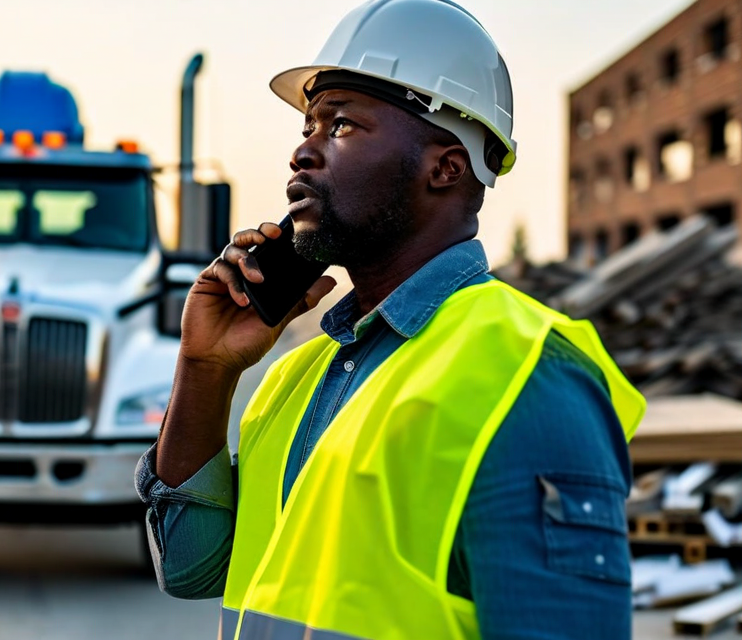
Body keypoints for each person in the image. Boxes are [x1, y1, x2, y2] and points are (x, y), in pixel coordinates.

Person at [134, 1, 646, 638]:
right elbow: (189, 570)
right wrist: (204, 369)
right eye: (307, 127)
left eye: (341, 126)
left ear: (446, 166)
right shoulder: (298, 378)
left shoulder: (528, 377)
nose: (302, 154)